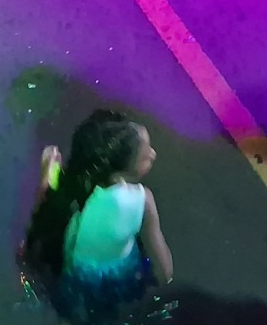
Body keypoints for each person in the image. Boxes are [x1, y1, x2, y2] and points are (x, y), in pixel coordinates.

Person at [23, 109, 174, 324]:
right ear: (121, 170)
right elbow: (164, 268)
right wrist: (165, 280)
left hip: (74, 277)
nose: (153, 154)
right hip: (116, 278)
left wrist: (48, 173)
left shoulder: (67, 194)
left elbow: (45, 203)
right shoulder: (142, 200)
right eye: (145, 155)